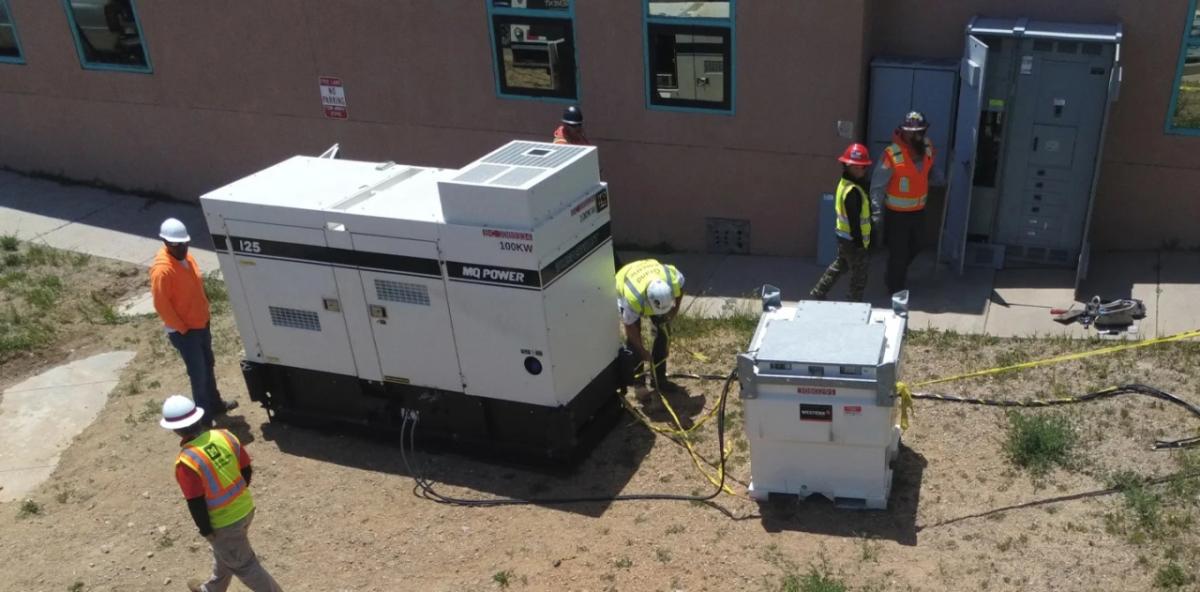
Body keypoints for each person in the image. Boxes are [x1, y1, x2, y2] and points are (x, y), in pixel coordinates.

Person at [159, 395, 283, 592]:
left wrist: (205, 529)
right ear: (198, 418)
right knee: (227, 552)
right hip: (245, 508)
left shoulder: (187, 461)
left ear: (175, 430)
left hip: (223, 523)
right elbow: (246, 469)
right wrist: (239, 493)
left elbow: (196, 502)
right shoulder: (225, 436)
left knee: (244, 565)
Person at [150, 218, 236, 425]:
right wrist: (183, 328)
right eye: (175, 244)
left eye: (183, 243)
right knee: (198, 374)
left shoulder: (189, 259)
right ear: (165, 242)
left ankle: (215, 404)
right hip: (185, 332)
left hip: (201, 324)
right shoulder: (162, 271)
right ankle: (204, 419)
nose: (180, 247)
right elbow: (162, 305)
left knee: (208, 365)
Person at [870, 111, 944, 296]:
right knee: (899, 253)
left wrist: (938, 177)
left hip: (918, 211)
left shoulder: (926, 146)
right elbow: (877, 186)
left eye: (920, 131)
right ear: (903, 131)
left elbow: (930, 165)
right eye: (911, 131)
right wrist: (877, 213)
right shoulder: (891, 154)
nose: (916, 135)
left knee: (918, 245)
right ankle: (895, 288)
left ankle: (897, 272)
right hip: (897, 215)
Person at [810, 143, 873, 302]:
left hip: (843, 238)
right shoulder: (853, 191)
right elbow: (854, 220)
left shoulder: (844, 184)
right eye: (856, 167)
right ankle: (854, 303)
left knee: (840, 266)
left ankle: (818, 292)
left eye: (863, 167)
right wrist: (859, 242)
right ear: (847, 166)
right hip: (853, 241)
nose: (861, 171)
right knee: (859, 275)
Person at [615, 259, 685, 396]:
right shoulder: (632, 298)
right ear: (648, 299)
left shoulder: (672, 279)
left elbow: (681, 288)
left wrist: (674, 310)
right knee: (634, 344)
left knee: (663, 332)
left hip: (649, 274)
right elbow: (630, 328)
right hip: (626, 279)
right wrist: (642, 351)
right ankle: (639, 382)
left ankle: (659, 378)